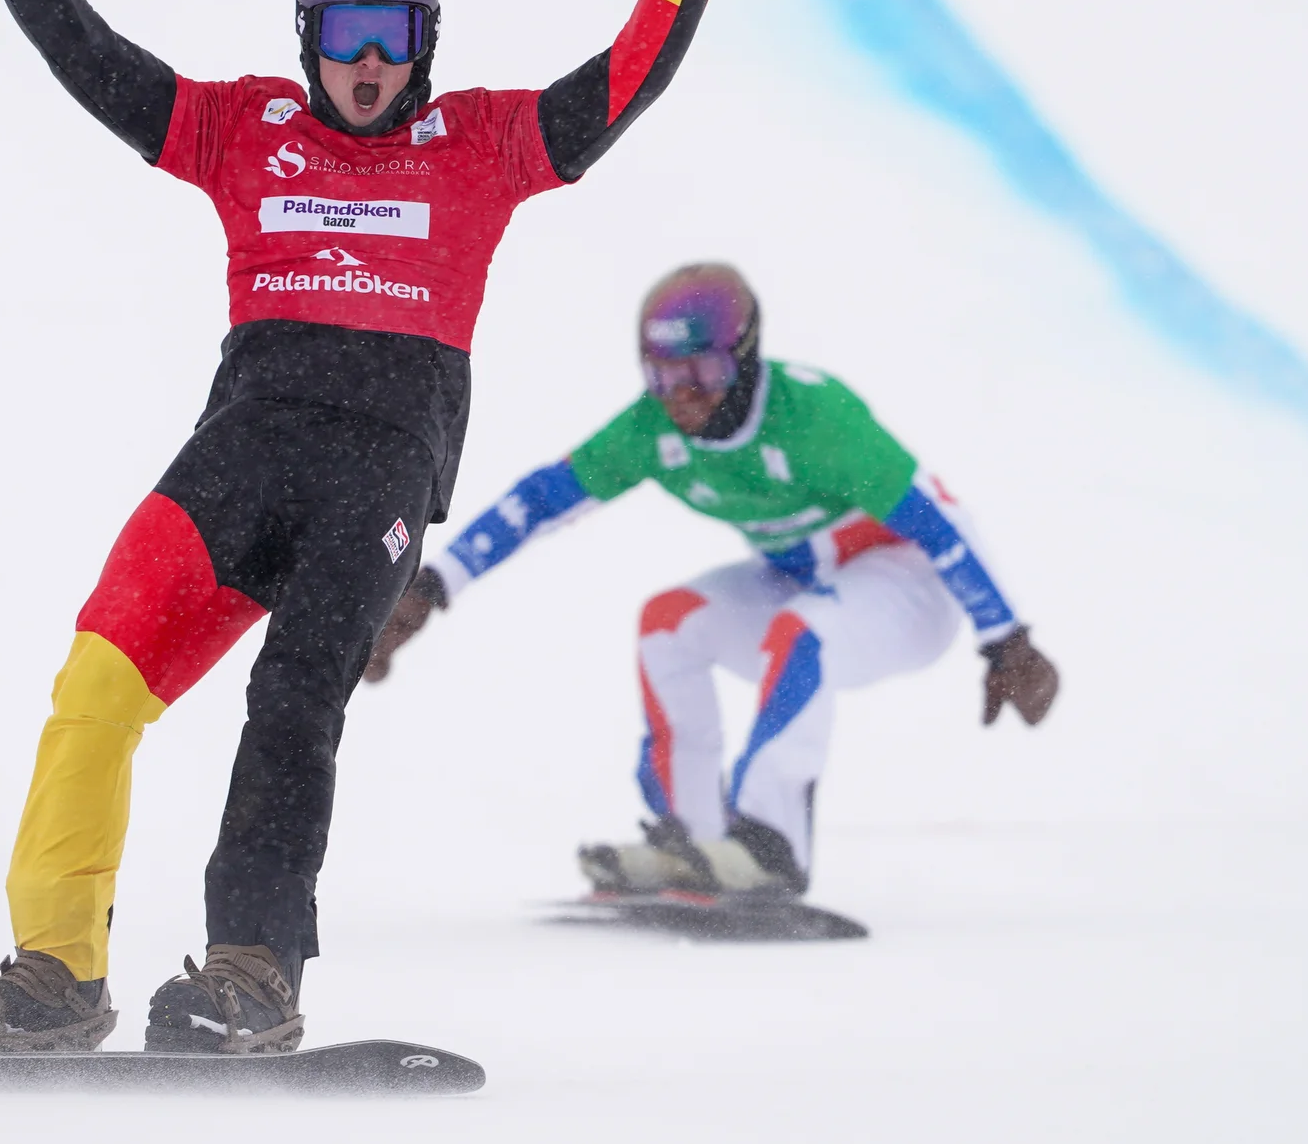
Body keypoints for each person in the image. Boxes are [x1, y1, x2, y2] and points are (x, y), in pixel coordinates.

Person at [0, 0, 740, 1053]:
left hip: (382, 460)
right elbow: (94, 63)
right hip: (244, 445)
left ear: (425, 48)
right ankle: (54, 970)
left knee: (292, 699)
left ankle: (253, 970)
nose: (368, 64)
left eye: (393, 39)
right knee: (95, 682)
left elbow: (626, 76)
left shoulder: (484, 144)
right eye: (346, 39)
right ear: (307, 45)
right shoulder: (240, 130)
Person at [366, 263, 1060, 895]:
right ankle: (691, 838)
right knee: (669, 623)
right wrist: (434, 585)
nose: (684, 396)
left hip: (907, 588)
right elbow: (544, 499)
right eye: (663, 376)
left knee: (802, 633)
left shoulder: (816, 417)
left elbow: (940, 522)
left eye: (703, 371)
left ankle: (769, 848)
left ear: (747, 358)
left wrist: (1005, 637)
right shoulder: (651, 430)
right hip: (799, 576)